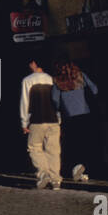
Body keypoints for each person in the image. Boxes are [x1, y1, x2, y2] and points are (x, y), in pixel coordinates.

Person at [53, 60, 100, 181]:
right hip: (84, 113)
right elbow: (94, 90)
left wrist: (61, 106)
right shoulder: (81, 76)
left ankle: (75, 168)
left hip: (68, 116)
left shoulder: (57, 81)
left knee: (71, 144)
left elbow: (55, 100)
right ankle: (85, 168)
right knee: (85, 142)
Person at [20, 59, 62, 189]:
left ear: (33, 63)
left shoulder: (28, 80)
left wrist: (24, 122)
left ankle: (44, 173)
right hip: (53, 119)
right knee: (54, 150)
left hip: (37, 120)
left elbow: (25, 102)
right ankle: (56, 180)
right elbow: (57, 101)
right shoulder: (52, 80)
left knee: (34, 147)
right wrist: (59, 119)